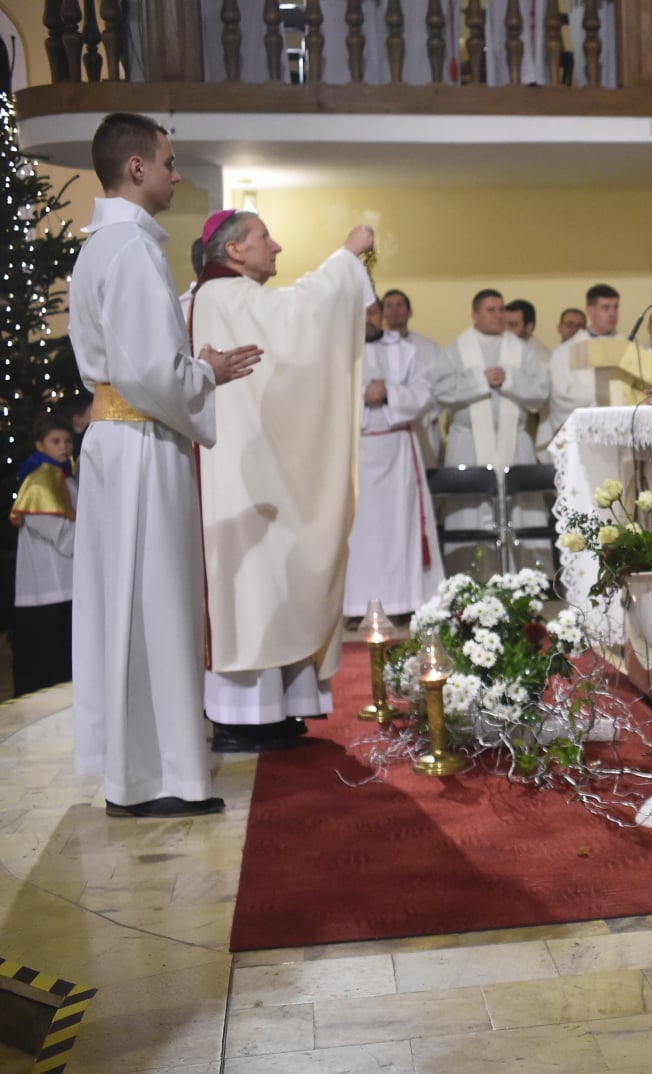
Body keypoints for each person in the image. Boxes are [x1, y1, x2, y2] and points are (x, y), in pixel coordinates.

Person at [69, 112, 260, 816]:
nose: (179, 175)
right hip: (141, 442)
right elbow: (151, 371)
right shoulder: (129, 249)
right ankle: (159, 778)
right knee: (154, 605)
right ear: (137, 168)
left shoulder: (106, 244)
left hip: (124, 438)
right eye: (170, 162)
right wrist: (202, 373)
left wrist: (195, 370)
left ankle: (140, 770)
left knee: (132, 608)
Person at [191, 207, 374, 752]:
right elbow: (299, 316)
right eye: (264, 238)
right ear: (234, 251)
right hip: (240, 478)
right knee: (253, 589)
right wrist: (346, 257)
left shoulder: (228, 297)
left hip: (260, 470)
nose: (276, 247)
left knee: (274, 581)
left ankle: (279, 706)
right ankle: (243, 714)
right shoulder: (224, 296)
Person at [343, 302, 443, 622]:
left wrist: (388, 392)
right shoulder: (336, 351)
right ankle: (357, 606)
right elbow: (321, 396)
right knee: (357, 531)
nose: (367, 320)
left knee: (402, 527)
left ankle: (405, 600)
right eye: (360, 313)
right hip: (354, 452)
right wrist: (361, 394)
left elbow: (426, 394)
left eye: (372, 313)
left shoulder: (405, 350)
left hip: (397, 449)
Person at [433, 288, 551, 554]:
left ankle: (524, 578)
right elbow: (439, 390)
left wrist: (508, 380)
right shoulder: (456, 349)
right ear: (475, 315)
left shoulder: (522, 350)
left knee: (520, 509)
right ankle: (470, 577)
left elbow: (540, 392)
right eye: (491, 309)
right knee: (471, 510)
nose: (498, 315)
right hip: (469, 444)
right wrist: (480, 380)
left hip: (515, 444)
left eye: (501, 309)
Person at [10, 413, 77, 697]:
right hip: (48, 591)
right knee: (47, 676)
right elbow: (64, 537)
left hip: (68, 588)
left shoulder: (66, 478)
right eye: (55, 441)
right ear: (40, 446)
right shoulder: (39, 484)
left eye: (67, 441)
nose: (64, 447)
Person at [546, 284, 621, 451]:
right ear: (590, 311)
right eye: (605, 308)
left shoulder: (629, 347)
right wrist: (603, 399)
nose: (612, 313)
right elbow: (561, 395)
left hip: (621, 435)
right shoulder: (566, 351)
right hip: (582, 437)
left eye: (616, 307)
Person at [382, 288, 443, 467]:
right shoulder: (373, 348)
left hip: (423, 423)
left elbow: (439, 386)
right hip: (389, 426)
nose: (394, 310)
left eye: (399, 305)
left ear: (410, 312)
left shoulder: (428, 347)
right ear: (382, 313)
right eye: (388, 306)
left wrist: (422, 412)